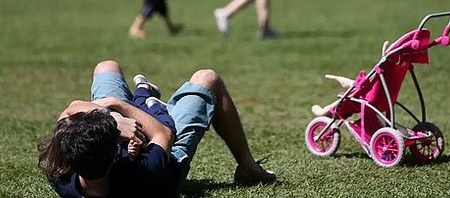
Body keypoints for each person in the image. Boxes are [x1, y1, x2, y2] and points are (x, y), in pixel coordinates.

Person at [38, 60, 276, 197]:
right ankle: (249, 168)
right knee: (208, 78)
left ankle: (141, 99)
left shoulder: (60, 171)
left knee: (106, 67)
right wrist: (117, 106)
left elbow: (70, 110)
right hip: (167, 151)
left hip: (115, 140)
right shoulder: (144, 174)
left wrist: (113, 119)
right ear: (114, 155)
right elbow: (163, 133)